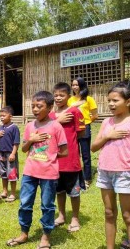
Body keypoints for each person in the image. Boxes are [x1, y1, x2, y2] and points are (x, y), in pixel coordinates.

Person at [6, 91, 67, 249]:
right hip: (30, 172)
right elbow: (24, 149)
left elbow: (64, 150)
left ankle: (46, 236)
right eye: (33, 106)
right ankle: (24, 233)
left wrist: (50, 157)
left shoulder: (56, 126)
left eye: (39, 106)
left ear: (49, 107)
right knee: (25, 203)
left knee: (47, 206)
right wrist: (31, 140)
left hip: (49, 173)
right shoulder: (29, 126)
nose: (35, 109)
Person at [91, 81, 130, 249]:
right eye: (109, 101)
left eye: (115, 100)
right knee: (109, 212)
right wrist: (108, 135)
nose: (111, 104)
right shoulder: (107, 122)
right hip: (105, 171)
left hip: (125, 173)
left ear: (128, 101)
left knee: (128, 215)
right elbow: (93, 147)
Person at [49, 82, 86, 233]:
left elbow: (81, 133)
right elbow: (46, 132)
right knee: (59, 190)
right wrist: (57, 121)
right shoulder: (50, 115)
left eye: (61, 95)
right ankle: (62, 215)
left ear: (69, 97)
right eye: (56, 95)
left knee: (74, 191)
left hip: (70, 160)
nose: (58, 98)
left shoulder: (75, 112)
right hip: (54, 160)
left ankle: (75, 218)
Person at [68, 77, 98, 188]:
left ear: (82, 85)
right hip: (72, 128)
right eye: (73, 85)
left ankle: (87, 179)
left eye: (77, 84)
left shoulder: (88, 99)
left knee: (85, 155)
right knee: (75, 154)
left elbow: (95, 115)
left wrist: (86, 123)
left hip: (84, 127)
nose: (74, 87)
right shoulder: (70, 100)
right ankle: (75, 177)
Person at [0, 106, 20, 203]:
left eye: (4, 116)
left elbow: (16, 143)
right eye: (0, 116)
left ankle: (13, 193)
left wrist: (13, 154)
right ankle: (5, 192)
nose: (1, 117)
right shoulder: (0, 128)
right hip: (1, 153)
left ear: (10, 116)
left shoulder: (14, 128)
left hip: (10, 154)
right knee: (3, 173)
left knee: (12, 173)